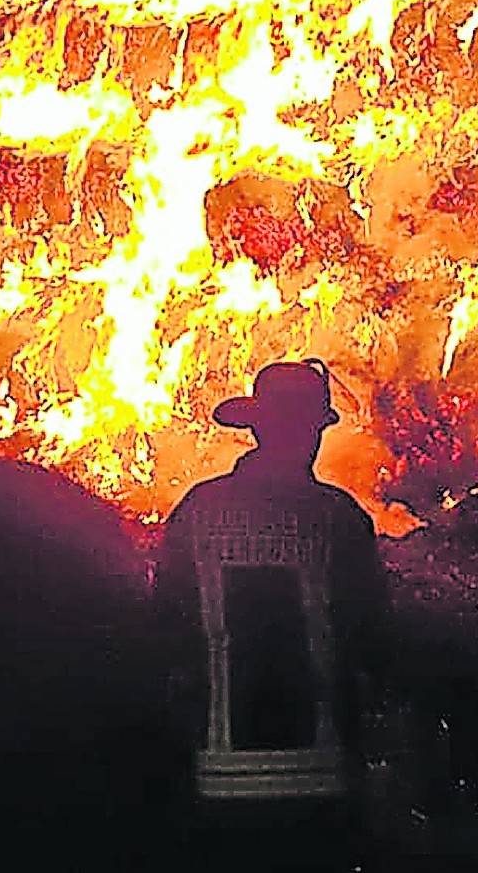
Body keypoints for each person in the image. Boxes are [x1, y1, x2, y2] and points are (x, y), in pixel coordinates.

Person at [153, 359, 388, 860]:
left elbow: (164, 629)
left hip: (219, 779)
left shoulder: (198, 511)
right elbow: (374, 641)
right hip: (320, 778)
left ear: (254, 428)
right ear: (313, 433)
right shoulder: (339, 519)